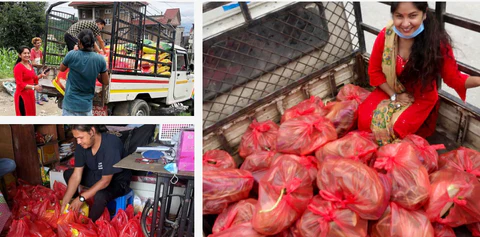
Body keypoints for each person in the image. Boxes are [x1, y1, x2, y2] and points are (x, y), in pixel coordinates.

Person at [357, 2, 480, 146]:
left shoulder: (436, 43)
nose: (405, 24)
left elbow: (455, 80)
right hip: (392, 89)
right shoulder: (386, 36)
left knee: (396, 129)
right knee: (364, 120)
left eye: (412, 16)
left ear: (424, 14)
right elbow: (375, 71)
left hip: (421, 96)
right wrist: (394, 96)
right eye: (399, 16)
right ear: (393, 16)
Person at [61, 125, 131, 222]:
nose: (78, 142)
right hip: (97, 175)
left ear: (92, 131)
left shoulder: (111, 144)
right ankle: (74, 209)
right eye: (76, 138)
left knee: (100, 195)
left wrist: (82, 198)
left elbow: (105, 181)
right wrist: (65, 202)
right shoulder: (82, 146)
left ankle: (88, 224)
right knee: (68, 174)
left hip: (116, 181)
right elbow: (76, 175)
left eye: (81, 137)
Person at [60, 29, 108, 116]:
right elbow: (105, 81)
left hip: (70, 105)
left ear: (79, 42)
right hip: (86, 107)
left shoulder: (72, 55)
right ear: (93, 43)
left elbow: (62, 68)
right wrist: (96, 72)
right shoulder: (100, 60)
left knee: (69, 129)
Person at [13, 46, 48, 116]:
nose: (27, 55)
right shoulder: (18, 67)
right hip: (22, 96)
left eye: (28, 53)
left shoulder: (29, 65)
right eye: (24, 53)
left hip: (30, 95)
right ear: (20, 55)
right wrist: (34, 87)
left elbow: (34, 78)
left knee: (31, 114)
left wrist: (41, 75)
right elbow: (20, 84)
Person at [31, 37, 48, 105]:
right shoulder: (32, 51)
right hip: (35, 68)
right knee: (37, 83)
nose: (39, 44)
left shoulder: (40, 51)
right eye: (38, 43)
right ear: (34, 44)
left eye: (40, 43)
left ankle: (42, 96)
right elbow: (33, 63)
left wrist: (43, 64)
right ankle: (37, 99)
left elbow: (42, 59)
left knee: (42, 82)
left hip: (39, 67)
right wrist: (41, 64)